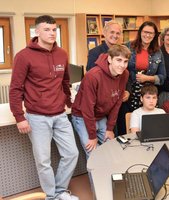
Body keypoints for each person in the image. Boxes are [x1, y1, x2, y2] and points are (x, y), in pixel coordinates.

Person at [9, 15, 79, 200]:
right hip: (37, 117)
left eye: (54, 29)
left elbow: (65, 82)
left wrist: (70, 103)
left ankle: (60, 191)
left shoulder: (62, 54)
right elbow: (16, 88)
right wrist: (19, 117)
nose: (51, 33)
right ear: (37, 31)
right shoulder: (24, 56)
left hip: (60, 115)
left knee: (72, 153)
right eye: (47, 29)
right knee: (43, 161)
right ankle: (51, 196)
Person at [72, 44, 131, 158]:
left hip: (101, 115)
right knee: (93, 154)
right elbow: (87, 108)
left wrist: (110, 128)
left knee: (109, 149)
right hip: (83, 116)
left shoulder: (124, 74)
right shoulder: (93, 76)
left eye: (125, 61)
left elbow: (117, 102)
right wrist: (92, 136)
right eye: (118, 60)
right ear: (109, 59)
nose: (122, 65)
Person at [127, 21, 166, 111]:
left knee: (148, 121)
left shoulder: (158, 52)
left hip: (149, 95)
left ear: (155, 35)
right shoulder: (128, 46)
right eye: (145, 32)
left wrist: (147, 78)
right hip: (130, 92)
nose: (147, 35)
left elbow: (162, 77)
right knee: (132, 119)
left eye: (151, 33)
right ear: (140, 32)